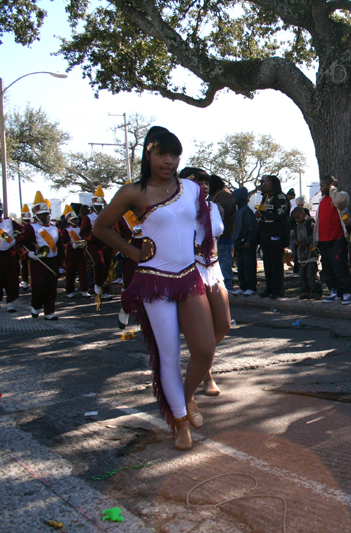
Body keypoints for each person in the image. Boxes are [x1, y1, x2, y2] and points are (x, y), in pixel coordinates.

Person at [91, 126, 217, 451]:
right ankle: (179, 421)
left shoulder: (191, 188)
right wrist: (134, 253)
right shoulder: (133, 192)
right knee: (169, 355)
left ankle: (186, 398)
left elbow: (205, 227)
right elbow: (101, 227)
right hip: (154, 280)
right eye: (162, 153)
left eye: (174, 155)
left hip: (189, 276)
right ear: (149, 153)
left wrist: (208, 259)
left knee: (204, 350)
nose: (169, 161)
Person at [185, 168, 230, 397]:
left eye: (206, 182)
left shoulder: (216, 208)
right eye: (197, 182)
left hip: (213, 266)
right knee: (201, 326)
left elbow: (217, 236)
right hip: (190, 268)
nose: (203, 186)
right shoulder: (179, 209)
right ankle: (205, 373)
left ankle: (200, 360)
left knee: (223, 323)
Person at [18, 191, 64, 320]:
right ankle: (36, 306)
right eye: (42, 215)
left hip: (52, 261)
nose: (45, 217)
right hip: (38, 262)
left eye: (46, 214)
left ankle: (49, 312)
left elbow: (60, 247)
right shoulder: (30, 227)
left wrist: (61, 265)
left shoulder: (55, 227)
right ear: (36, 215)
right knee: (39, 287)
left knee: (51, 288)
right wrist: (28, 254)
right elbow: (20, 243)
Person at [315, 175, 351, 304]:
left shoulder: (341, 195)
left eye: (323, 186)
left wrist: (332, 188)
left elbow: (340, 202)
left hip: (337, 238)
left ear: (330, 185)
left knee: (340, 266)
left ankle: (347, 293)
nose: (321, 188)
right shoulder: (322, 200)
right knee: (328, 268)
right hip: (323, 239)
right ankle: (335, 291)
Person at [255, 174, 291, 299]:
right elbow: (262, 212)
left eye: (267, 182)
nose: (264, 185)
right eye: (263, 183)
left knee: (276, 263)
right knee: (267, 263)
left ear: (274, 184)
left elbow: (280, 215)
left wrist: (263, 215)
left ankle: (277, 290)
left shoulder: (281, 197)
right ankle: (269, 289)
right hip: (265, 234)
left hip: (276, 234)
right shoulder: (266, 197)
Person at [115, 196, 144, 329]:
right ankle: (125, 309)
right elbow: (113, 233)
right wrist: (120, 250)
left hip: (149, 247)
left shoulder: (150, 212)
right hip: (130, 249)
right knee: (129, 281)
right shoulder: (120, 216)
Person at [81, 186, 113, 299]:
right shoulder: (88, 217)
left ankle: (105, 291)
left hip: (107, 243)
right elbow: (83, 232)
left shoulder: (108, 215)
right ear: (93, 205)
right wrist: (93, 235)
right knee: (99, 264)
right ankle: (98, 284)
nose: (100, 208)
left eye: (101, 205)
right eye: (97, 206)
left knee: (107, 266)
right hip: (94, 245)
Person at [209, 174, 237, 293]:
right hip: (216, 236)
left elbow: (219, 213)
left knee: (223, 261)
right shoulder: (217, 195)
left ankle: (227, 286)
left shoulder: (223, 195)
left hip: (224, 236)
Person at [231, 186, 259, 296]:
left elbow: (253, 228)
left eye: (234, 197)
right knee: (241, 267)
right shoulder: (238, 211)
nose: (233, 200)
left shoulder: (247, 211)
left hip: (247, 244)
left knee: (249, 266)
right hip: (239, 244)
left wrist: (249, 241)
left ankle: (251, 287)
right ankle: (242, 286)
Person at [60, 205, 91, 299]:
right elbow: (63, 243)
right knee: (70, 273)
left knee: (83, 272)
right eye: (72, 220)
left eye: (75, 219)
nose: (74, 221)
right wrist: (72, 246)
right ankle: (70, 291)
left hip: (81, 253)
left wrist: (84, 244)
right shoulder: (66, 230)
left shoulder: (81, 228)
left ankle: (85, 290)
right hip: (70, 254)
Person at [292, 206, 322, 299]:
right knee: (302, 275)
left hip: (311, 254)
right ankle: (306, 292)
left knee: (311, 275)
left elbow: (314, 236)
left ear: (304, 215)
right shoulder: (297, 226)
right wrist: (295, 242)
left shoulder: (311, 224)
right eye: (295, 218)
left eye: (298, 217)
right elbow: (294, 237)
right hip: (301, 256)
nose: (297, 220)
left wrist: (302, 241)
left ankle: (317, 292)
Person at [0, 200, 22, 312]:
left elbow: (23, 231)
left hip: (10, 254)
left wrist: (16, 239)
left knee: (11, 279)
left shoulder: (9, 222)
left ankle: (10, 303)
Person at [18, 204, 32, 292]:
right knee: (24, 267)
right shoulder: (20, 227)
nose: (27, 221)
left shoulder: (32, 227)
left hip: (31, 249)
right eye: (25, 220)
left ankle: (31, 283)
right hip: (23, 250)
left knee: (32, 268)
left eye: (28, 220)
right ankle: (25, 281)